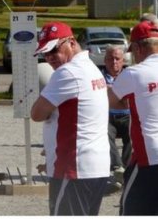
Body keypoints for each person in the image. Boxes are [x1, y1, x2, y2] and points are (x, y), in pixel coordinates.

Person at [30, 22, 110, 216]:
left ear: (72, 43)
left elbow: (37, 113)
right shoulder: (90, 67)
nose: (50, 58)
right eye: (45, 53)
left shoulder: (68, 72)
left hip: (73, 166)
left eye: (54, 50)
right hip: (96, 165)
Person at [108, 21, 158, 215]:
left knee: (131, 211)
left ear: (137, 48)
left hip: (149, 157)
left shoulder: (134, 73)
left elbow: (110, 101)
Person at [101, 45, 131, 177]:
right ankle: (117, 167)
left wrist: (109, 91)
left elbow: (128, 100)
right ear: (105, 60)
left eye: (117, 59)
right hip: (106, 116)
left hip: (127, 116)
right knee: (103, 132)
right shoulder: (97, 76)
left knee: (133, 133)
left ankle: (127, 166)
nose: (114, 62)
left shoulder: (130, 75)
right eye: (110, 59)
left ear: (123, 60)